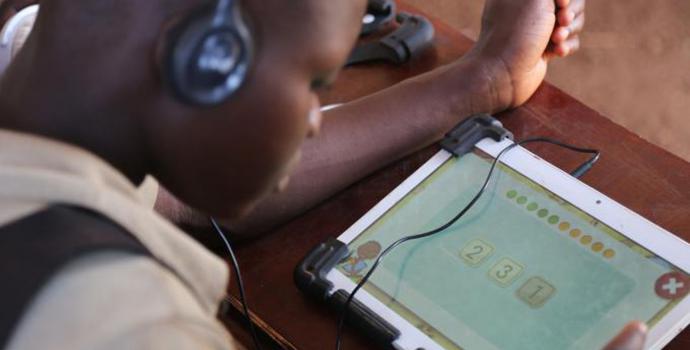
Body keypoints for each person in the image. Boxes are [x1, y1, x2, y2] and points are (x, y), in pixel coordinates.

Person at [0, 0, 646, 349]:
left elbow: (171, 193)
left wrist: (486, 79)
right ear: (207, 58)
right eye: (313, 83)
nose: (313, 119)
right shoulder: (115, 322)